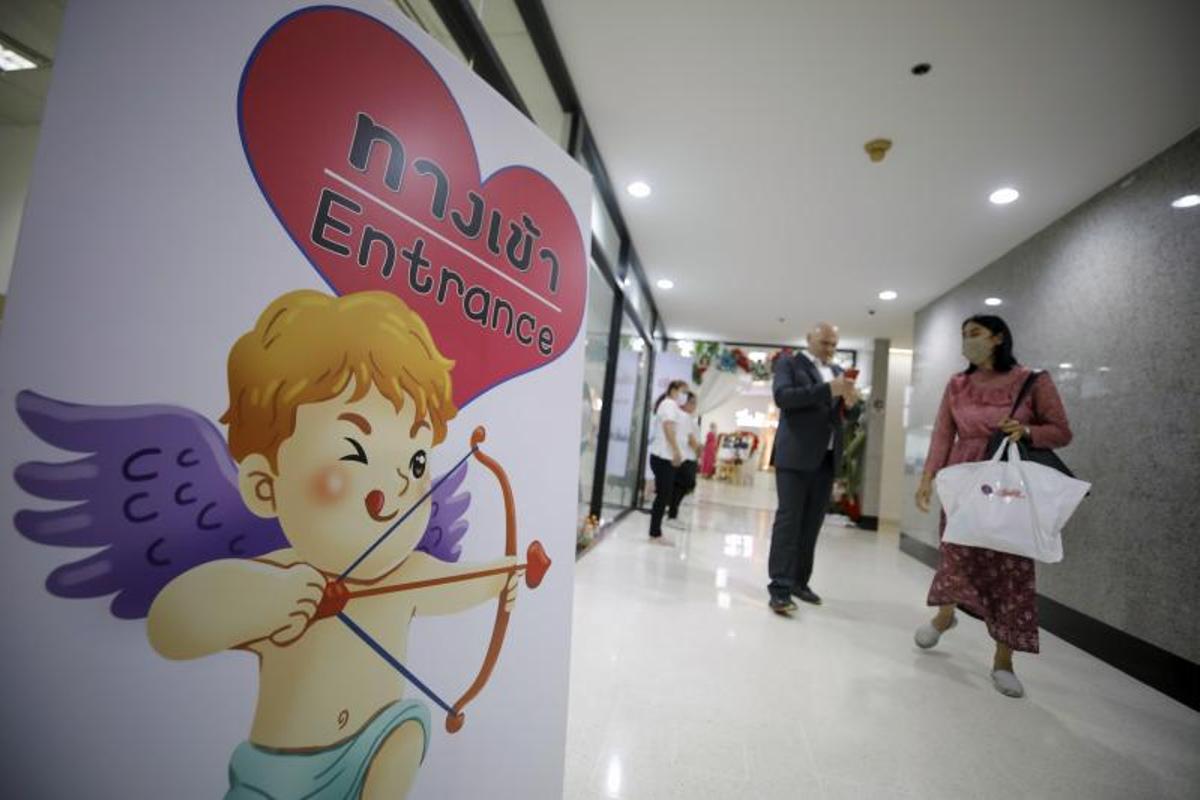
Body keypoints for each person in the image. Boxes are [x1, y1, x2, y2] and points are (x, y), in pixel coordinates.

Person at [913, 315, 1072, 699]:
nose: (968, 341)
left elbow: (1062, 431)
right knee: (956, 556)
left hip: (1007, 485)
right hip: (963, 482)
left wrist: (1028, 431)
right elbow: (942, 434)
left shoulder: (1031, 381)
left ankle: (1004, 661)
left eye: (976, 334)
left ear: (998, 338)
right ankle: (946, 615)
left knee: (1009, 571)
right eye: (964, 335)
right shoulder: (957, 384)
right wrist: (927, 477)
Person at [767, 323, 860, 615]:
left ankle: (799, 582)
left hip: (827, 456)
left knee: (811, 525)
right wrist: (826, 389)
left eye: (834, 344)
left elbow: (847, 415)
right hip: (794, 455)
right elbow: (783, 398)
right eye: (824, 343)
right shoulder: (788, 364)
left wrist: (851, 402)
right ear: (808, 339)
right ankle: (779, 588)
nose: (830, 349)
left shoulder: (836, 372)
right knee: (789, 520)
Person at [647, 380, 689, 541]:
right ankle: (655, 533)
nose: (684, 396)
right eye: (683, 391)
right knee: (663, 495)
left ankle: (655, 532)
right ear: (674, 390)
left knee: (664, 495)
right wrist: (676, 451)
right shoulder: (669, 404)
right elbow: (667, 428)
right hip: (663, 457)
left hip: (663, 457)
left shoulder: (669, 405)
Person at [666, 392, 702, 527]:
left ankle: (672, 513)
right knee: (686, 484)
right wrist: (698, 450)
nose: (694, 406)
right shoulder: (684, 417)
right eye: (692, 403)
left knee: (681, 486)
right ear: (685, 403)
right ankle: (672, 515)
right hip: (686, 456)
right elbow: (691, 439)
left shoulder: (685, 417)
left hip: (685, 456)